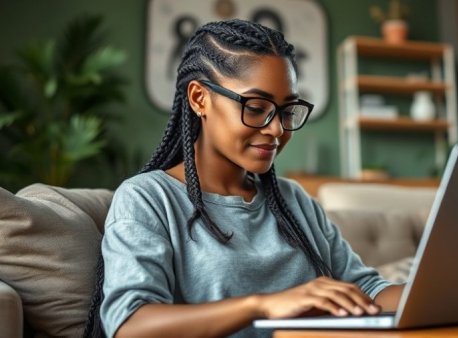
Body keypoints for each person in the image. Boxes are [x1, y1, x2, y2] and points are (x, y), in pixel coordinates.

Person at [85, 18, 404, 338]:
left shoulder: (293, 201)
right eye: (256, 107)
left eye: (286, 110)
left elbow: (367, 288)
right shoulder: (148, 199)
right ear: (199, 98)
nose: (277, 128)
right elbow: (129, 326)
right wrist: (260, 306)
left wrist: (442, 292)